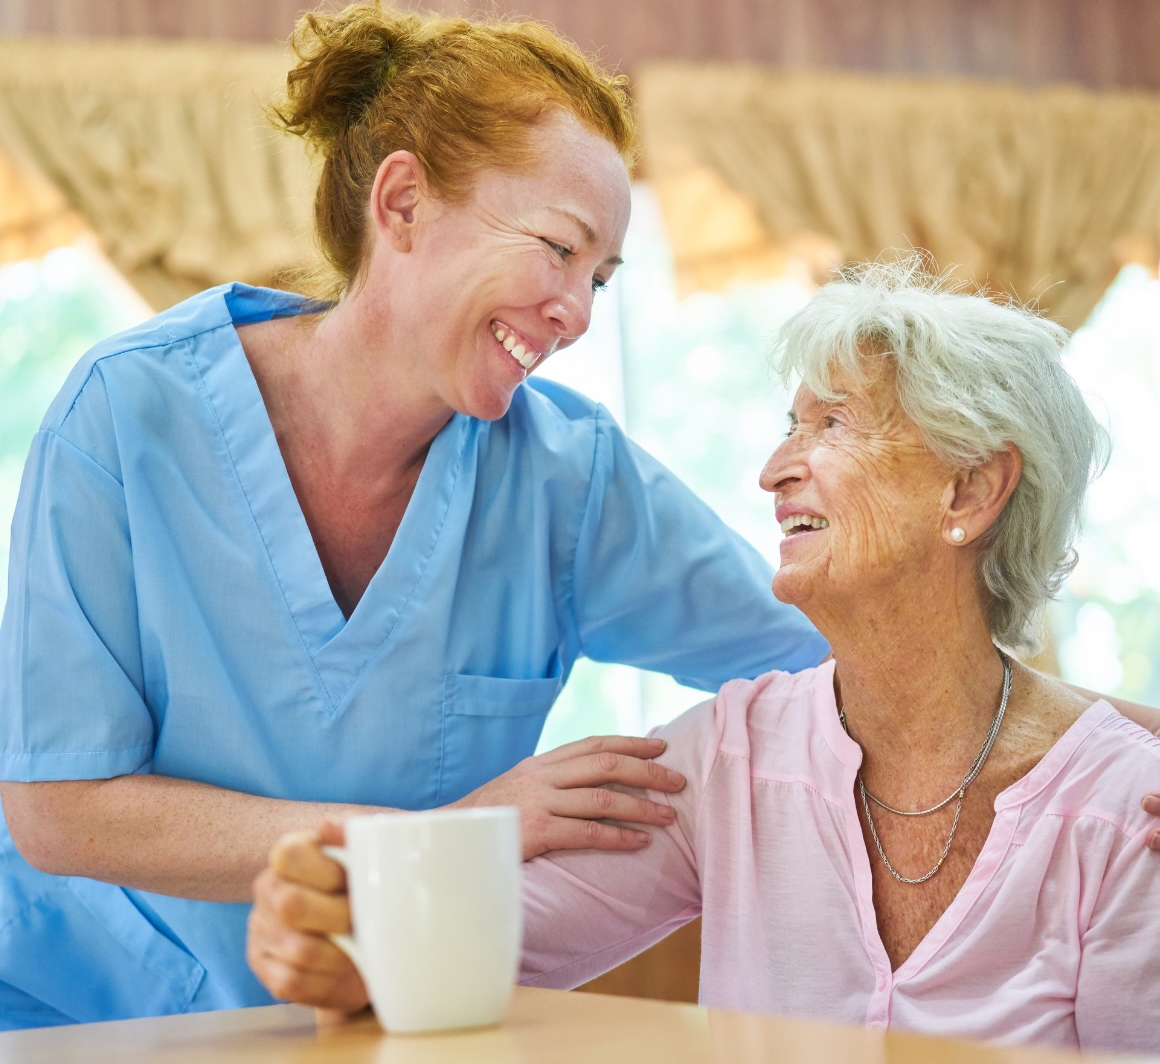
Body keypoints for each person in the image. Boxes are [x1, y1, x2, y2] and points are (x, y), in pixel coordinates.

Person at [0, 0, 836, 1031]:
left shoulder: (568, 478)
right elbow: (58, 810)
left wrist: (1072, 746)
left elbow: (828, 653)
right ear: (401, 205)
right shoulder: (128, 414)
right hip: (73, 1013)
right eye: (557, 250)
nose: (576, 312)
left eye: (601, 278)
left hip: (363, 1025)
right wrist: (451, 833)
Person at [250, 261, 1160, 1053]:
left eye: (833, 425)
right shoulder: (728, 758)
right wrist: (337, 933)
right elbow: (447, 955)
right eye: (789, 424)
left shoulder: (1127, 815)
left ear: (970, 486)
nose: (773, 468)